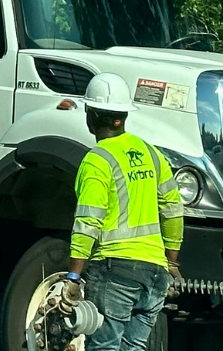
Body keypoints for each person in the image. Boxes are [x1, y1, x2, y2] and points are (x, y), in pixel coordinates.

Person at [62, 73, 184, 350]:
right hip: (155, 276)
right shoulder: (151, 153)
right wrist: (172, 262)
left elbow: (87, 222)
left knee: (104, 347)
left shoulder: (97, 160)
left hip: (116, 272)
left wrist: (73, 277)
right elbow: (173, 209)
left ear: (90, 116)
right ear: (124, 115)